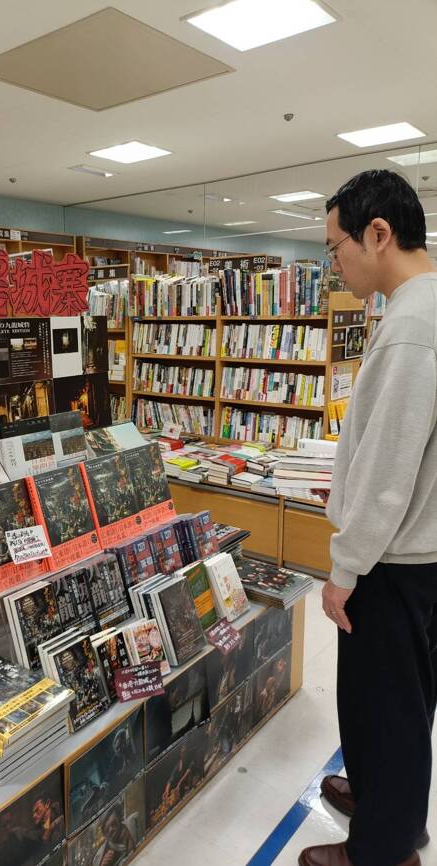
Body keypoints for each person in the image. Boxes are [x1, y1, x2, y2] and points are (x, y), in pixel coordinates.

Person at [299, 169, 437, 866]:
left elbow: (387, 474)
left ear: (378, 234)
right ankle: (388, 802)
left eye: (336, 247)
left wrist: (345, 569)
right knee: (405, 704)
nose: (334, 264)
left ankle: (382, 849)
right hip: (419, 554)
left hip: (394, 562)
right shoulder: (423, 308)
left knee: (385, 707)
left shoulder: (412, 327)